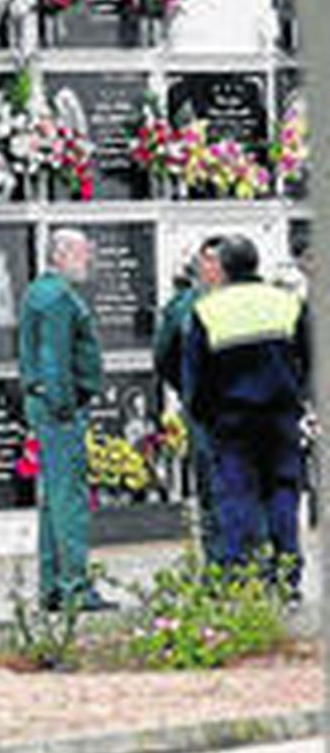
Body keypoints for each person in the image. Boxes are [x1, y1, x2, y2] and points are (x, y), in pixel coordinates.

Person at [182, 235, 312, 593]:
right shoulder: (288, 302)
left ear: (223, 268)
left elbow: (195, 376)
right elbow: (309, 359)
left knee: (236, 498)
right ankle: (287, 576)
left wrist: (205, 417)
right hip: (281, 419)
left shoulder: (208, 310)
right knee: (283, 495)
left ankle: (241, 578)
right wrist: (298, 399)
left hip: (231, 422)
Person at [18, 228, 111, 611]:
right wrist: (65, 405)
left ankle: (53, 585)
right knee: (68, 500)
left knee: (53, 501)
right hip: (60, 412)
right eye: (81, 253)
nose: (87, 260)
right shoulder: (57, 297)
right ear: (59, 255)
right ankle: (74, 586)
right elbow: (53, 356)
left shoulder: (41, 291)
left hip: (49, 407)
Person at [152, 238, 227, 563]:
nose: (211, 267)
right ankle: (219, 567)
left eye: (218, 261)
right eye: (206, 260)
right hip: (205, 412)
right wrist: (188, 389)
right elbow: (165, 356)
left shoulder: (248, 301)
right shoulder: (183, 306)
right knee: (210, 489)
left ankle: (254, 568)